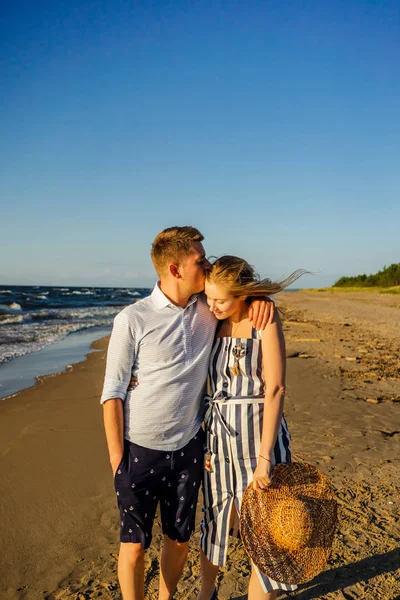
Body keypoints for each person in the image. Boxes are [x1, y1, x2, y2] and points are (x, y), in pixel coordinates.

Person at [101, 227, 274, 600]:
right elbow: (112, 393)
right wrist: (118, 462)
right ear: (176, 269)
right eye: (200, 260)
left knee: (178, 541)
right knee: (133, 546)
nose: (208, 264)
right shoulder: (132, 319)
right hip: (138, 452)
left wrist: (260, 299)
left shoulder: (207, 310)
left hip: (187, 449)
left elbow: (235, 303)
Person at [197, 256, 304, 600]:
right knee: (215, 522)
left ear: (243, 295)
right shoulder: (210, 320)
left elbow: (275, 389)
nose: (211, 306)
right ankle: (206, 594)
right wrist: (205, 444)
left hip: (260, 441)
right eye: (208, 297)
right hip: (220, 442)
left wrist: (264, 460)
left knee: (267, 530)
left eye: (220, 300)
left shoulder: (264, 321)